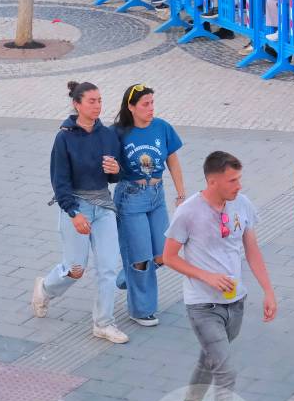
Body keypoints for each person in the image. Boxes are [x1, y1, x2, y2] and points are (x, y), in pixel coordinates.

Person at [163, 151, 275, 401]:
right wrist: (206, 276)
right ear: (213, 181)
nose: (238, 186)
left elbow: (252, 250)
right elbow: (169, 257)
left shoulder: (242, 205)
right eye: (232, 180)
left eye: (239, 179)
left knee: (208, 361)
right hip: (202, 306)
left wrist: (268, 290)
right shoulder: (188, 213)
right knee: (225, 371)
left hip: (235, 303)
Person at [32, 82, 127, 345]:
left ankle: (103, 323)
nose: (97, 106)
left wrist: (115, 169)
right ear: (77, 104)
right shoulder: (64, 138)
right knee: (75, 269)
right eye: (92, 101)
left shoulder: (108, 135)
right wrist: (74, 213)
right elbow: (59, 181)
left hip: (104, 208)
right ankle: (45, 288)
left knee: (109, 268)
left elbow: (116, 175)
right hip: (76, 206)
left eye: (100, 100)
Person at [112, 84, 186, 326]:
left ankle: (129, 276)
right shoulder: (119, 132)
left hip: (157, 195)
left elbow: (173, 162)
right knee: (141, 257)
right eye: (145, 104)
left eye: (152, 102)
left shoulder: (162, 127)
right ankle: (141, 309)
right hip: (131, 197)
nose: (151, 108)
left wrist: (181, 193)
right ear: (131, 107)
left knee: (165, 253)